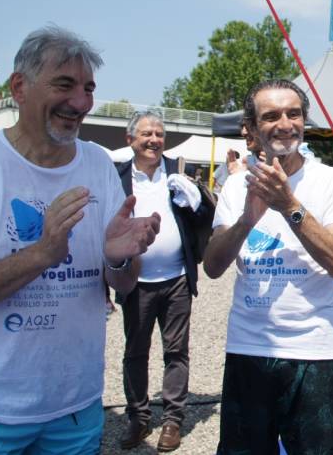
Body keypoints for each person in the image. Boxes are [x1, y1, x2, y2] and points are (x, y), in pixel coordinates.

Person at [0, 26, 161, 454]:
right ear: (19, 87)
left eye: (88, 88)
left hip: (74, 408)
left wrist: (119, 260)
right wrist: (41, 254)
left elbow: (124, 283)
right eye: (64, 84)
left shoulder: (98, 165)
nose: (80, 102)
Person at [204, 79, 333, 454]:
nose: (285, 123)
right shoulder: (235, 186)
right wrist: (246, 220)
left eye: (294, 113)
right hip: (249, 349)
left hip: (316, 351)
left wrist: (289, 205)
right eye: (271, 116)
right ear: (253, 129)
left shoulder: (332, 180)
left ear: (305, 120)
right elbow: (212, 266)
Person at [116, 112, 214, 451]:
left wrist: (198, 201)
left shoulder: (178, 172)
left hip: (176, 278)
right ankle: (138, 418)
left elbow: (204, 219)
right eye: (146, 134)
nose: (154, 139)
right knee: (135, 352)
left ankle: (173, 420)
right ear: (130, 140)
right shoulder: (117, 177)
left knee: (176, 352)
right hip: (136, 280)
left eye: (159, 133)